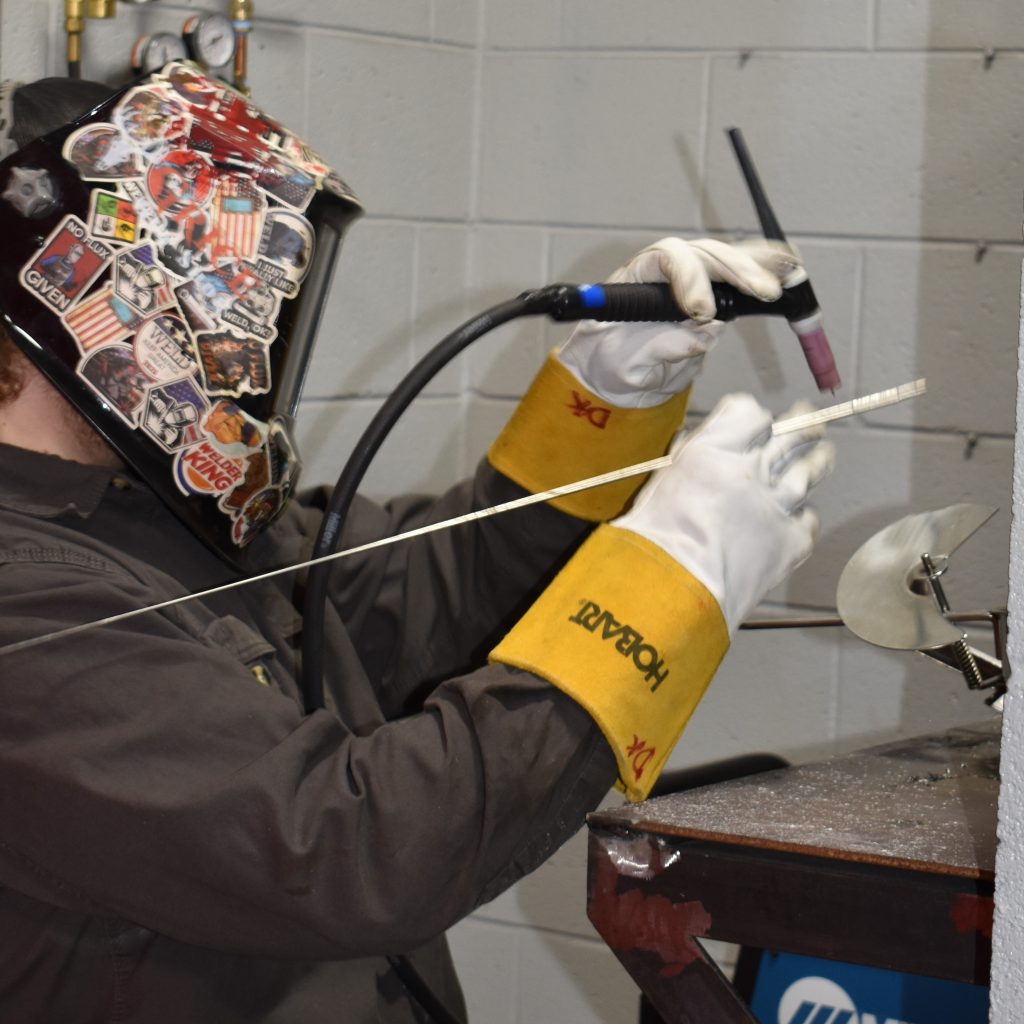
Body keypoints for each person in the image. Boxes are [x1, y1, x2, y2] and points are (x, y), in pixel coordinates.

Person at [0, 71, 833, 1024]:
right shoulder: (24, 600)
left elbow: (429, 593)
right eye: (232, 290)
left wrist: (603, 407)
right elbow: (345, 848)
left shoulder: (158, 505)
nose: (252, 339)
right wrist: (668, 586)